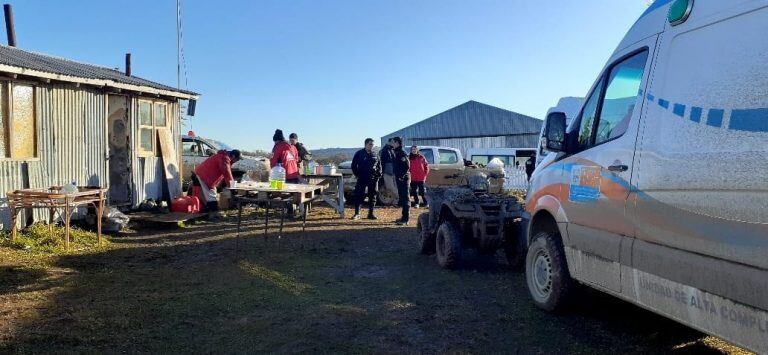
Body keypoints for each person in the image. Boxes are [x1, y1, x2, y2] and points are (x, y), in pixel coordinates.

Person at [193, 149, 242, 217]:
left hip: (202, 175)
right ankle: (213, 214)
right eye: (237, 159)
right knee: (211, 197)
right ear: (233, 156)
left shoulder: (223, 157)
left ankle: (207, 212)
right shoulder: (224, 158)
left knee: (209, 195)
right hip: (203, 177)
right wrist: (233, 188)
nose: (237, 161)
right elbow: (227, 174)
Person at [350, 138, 382, 220]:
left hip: (373, 178)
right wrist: (357, 174)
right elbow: (354, 166)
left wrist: (378, 175)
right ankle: (357, 213)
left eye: (372, 144)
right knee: (359, 195)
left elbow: (379, 165)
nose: (372, 146)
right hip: (362, 178)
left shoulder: (375, 154)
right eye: (370, 144)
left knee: (373, 196)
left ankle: (371, 214)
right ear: (365, 144)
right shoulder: (359, 153)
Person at [391, 137, 410, 225]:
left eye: (393, 142)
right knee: (402, 198)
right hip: (399, 178)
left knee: (405, 198)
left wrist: (401, 176)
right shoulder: (396, 151)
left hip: (403, 178)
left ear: (397, 143)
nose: (392, 144)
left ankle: (406, 219)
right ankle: (403, 216)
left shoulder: (402, 152)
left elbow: (407, 166)